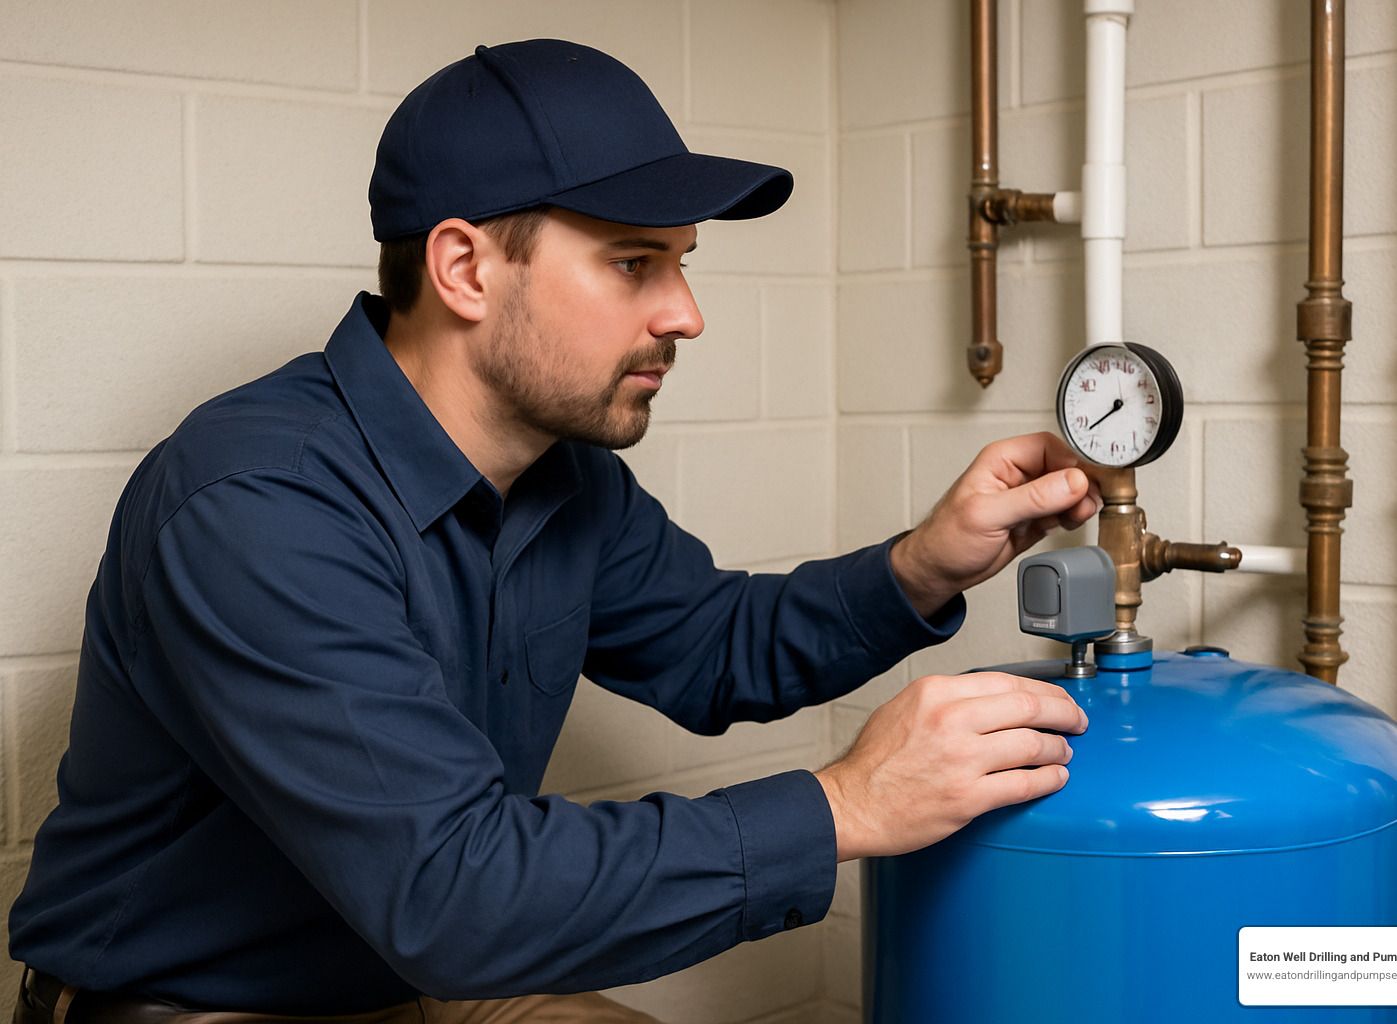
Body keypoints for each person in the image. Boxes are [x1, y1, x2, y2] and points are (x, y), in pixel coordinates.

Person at [7, 39, 1099, 1024]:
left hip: (420, 975)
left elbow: (717, 644)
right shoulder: (257, 502)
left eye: (682, 264)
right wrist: (846, 805)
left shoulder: (557, 475)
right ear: (466, 268)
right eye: (634, 264)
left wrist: (922, 564)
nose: (685, 314)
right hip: (196, 1007)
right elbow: (451, 890)